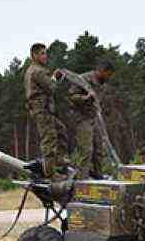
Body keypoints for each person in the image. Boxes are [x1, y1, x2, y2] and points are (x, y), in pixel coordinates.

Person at [24, 43, 70, 179]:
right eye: (42, 53)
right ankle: (50, 173)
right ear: (34, 55)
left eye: (45, 53)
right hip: (42, 111)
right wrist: (56, 77)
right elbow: (51, 87)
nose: (45, 56)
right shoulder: (37, 71)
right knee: (49, 139)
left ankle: (60, 162)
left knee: (61, 131)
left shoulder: (32, 70)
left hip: (43, 110)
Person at [63, 58, 115, 178]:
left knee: (99, 149)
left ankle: (98, 176)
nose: (109, 77)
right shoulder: (83, 79)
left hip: (94, 117)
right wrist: (85, 98)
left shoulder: (103, 84)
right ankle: (82, 179)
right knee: (86, 150)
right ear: (101, 70)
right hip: (81, 117)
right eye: (108, 74)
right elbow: (71, 97)